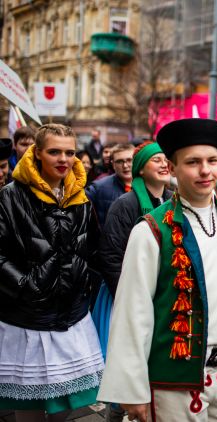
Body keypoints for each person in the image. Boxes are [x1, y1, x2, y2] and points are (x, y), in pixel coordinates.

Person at [97, 118, 217, 422]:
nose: (205, 170)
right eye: (193, 162)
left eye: (212, 160)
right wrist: (131, 387)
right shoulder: (150, 230)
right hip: (172, 378)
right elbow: (132, 312)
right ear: (172, 167)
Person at [0, 124, 103, 421]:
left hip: (72, 317)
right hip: (26, 319)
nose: (64, 159)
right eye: (54, 151)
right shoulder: (10, 196)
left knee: (66, 407)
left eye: (70, 152)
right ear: (37, 154)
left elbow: (92, 248)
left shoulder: (81, 196)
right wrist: (25, 285)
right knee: (28, 409)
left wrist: (84, 286)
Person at [94, 141, 173, 422]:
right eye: (157, 160)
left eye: (167, 159)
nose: (165, 164)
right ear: (141, 169)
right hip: (128, 296)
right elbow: (111, 256)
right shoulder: (125, 204)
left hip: (165, 298)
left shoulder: (174, 198)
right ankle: (115, 414)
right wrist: (131, 298)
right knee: (129, 362)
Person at [86, 143, 135, 227]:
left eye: (129, 160)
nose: (125, 165)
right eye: (120, 161)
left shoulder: (147, 184)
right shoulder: (98, 187)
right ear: (113, 164)